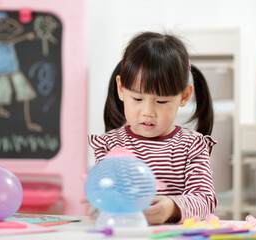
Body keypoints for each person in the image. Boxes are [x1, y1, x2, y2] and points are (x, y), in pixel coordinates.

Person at [88, 31, 217, 225]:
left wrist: (171, 208)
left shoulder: (192, 146)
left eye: (161, 101)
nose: (148, 111)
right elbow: (104, 192)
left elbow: (205, 200)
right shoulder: (110, 145)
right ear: (121, 89)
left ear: (184, 96)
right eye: (137, 99)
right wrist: (101, 198)